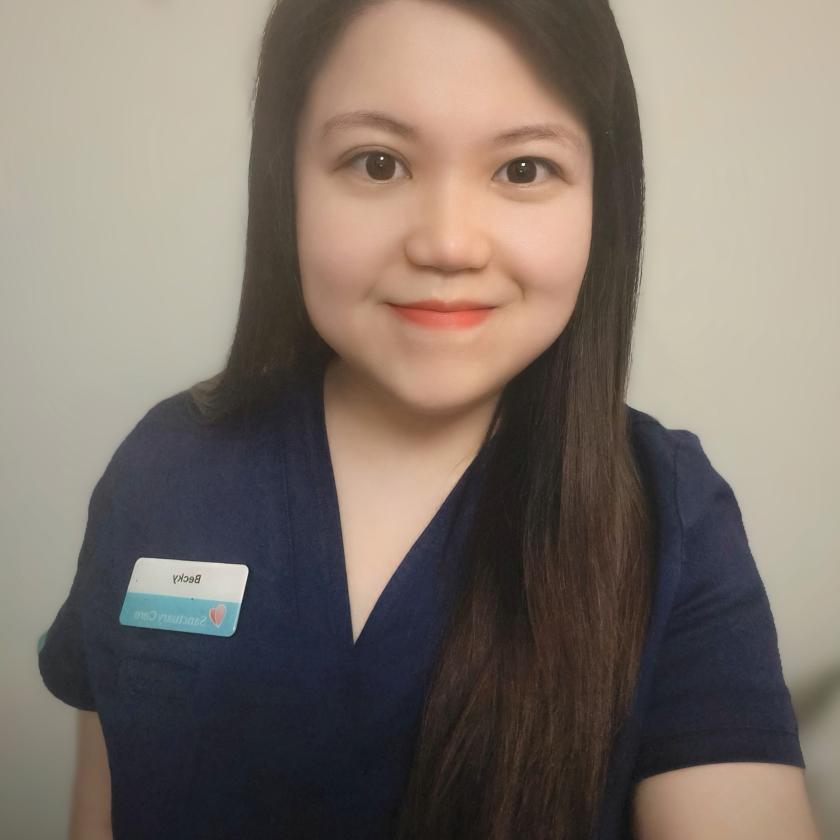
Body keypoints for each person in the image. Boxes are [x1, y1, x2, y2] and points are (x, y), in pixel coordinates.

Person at [38, 1, 821, 838]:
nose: (448, 243)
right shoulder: (164, 467)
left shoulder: (673, 521)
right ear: (286, 183)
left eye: (522, 169)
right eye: (378, 163)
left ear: (605, 198)